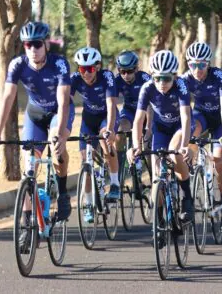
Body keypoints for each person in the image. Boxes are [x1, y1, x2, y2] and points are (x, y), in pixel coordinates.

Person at [0, 21, 74, 222]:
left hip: (58, 113)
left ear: (46, 45)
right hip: (34, 114)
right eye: (27, 45)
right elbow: (7, 98)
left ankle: (62, 193)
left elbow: (63, 102)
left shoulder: (59, 64)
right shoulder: (17, 64)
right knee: (29, 168)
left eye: (37, 44)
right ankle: (27, 222)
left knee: (57, 147)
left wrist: (60, 134)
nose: (32, 49)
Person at [127, 50, 194, 222]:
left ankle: (187, 196)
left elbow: (186, 118)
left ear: (174, 76)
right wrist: (136, 147)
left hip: (180, 126)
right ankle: (159, 221)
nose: (161, 83)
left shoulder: (181, 87)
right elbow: (137, 121)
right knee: (157, 177)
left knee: (174, 153)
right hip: (161, 128)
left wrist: (185, 145)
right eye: (157, 78)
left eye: (166, 78)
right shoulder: (147, 88)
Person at [181, 41, 222, 233]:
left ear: (208, 64)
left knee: (219, 160)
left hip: (220, 119)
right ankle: (190, 172)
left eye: (201, 65)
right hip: (201, 116)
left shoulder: (218, 76)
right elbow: (183, 111)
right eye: (193, 65)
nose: (197, 69)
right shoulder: (185, 79)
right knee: (189, 135)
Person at [71, 46, 119, 223]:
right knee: (86, 162)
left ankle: (114, 183)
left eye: (90, 68)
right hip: (88, 119)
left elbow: (111, 104)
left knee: (106, 143)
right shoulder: (75, 79)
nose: (86, 73)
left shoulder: (107, 77)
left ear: (97, 67)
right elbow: (64, 101)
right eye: (82, 69)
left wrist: (110, 129)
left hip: (107, 116)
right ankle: (88, 204)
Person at [114, 50, 152, 172]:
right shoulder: (117, 80)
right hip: (129, 110)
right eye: (122, 71)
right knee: (120, 132)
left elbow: (151, 105)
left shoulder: (144, 78)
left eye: (129, 71)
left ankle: (154, 179)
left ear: (136, 69)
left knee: (147, 147)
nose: (125, 75)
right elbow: (111, 102)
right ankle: (119, 167)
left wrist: (149, 127)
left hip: (147, 111)